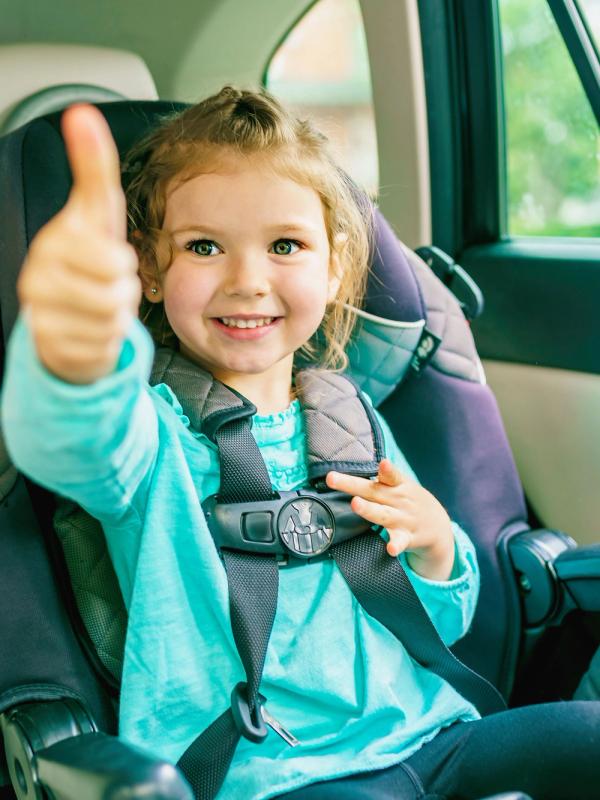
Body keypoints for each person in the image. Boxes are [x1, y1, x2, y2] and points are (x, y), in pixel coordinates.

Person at [2, 87, 599, 800]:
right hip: (273, 774)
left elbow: (441, 617)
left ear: (335, 265)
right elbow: (70, 439)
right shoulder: (149, 437)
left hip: (435, 737)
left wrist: (437, 547)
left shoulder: (352, 420)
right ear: (151, 272)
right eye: (203, 246)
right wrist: (75, 355)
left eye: (285, 245)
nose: (247, 280)